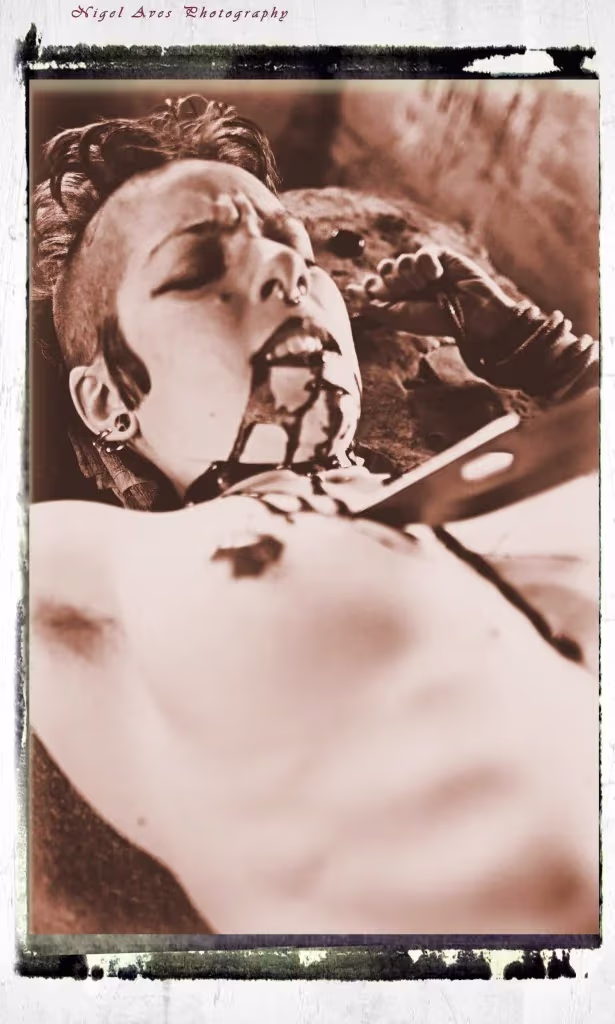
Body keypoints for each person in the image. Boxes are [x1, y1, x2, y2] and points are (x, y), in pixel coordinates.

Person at [29, 95, 599, 934]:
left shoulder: (484, 500)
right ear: (110, 400)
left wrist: (551, 362)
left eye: (294, 247)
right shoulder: (118, 566)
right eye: (198, 270)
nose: (285, 268)